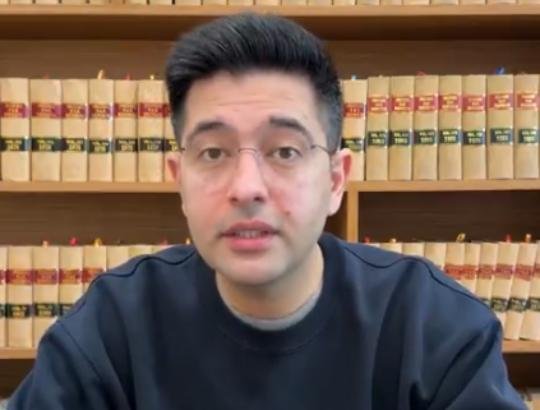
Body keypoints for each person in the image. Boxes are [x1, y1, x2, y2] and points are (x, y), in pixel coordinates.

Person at [8, 13, 525, 410]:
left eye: (285, 151)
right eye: (214, 152)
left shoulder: (431, 325)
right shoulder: (113, 326)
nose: (247, 188)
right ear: (178, 179)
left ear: (335, 180)